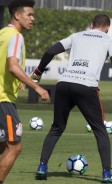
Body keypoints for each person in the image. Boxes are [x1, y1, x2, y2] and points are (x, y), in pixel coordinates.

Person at [29, 14, 112, 183]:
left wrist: (38, 72)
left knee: (56, 128)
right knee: (100, 130)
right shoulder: (109, 40)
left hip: (64, 84)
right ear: (107, 27)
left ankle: (42, 167)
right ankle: (106, 174)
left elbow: (51, 51)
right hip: (86, 86)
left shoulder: (76, 36)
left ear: (92, 25)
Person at [0, 1, 50, 183]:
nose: (33, 19)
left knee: (2, 144)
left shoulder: (2, 33)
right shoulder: (15, 36)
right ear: (17, 15)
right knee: (14, 146)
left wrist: (16, 82)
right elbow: (12, 66)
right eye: (29, 14)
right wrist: (36, 87)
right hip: (2, 100)